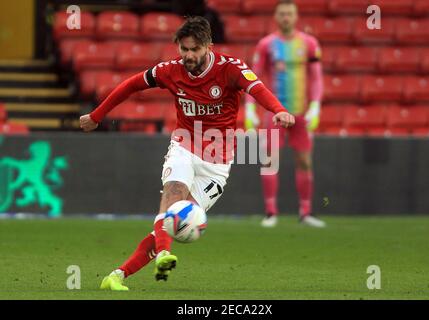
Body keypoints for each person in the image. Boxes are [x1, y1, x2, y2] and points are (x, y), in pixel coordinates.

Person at [79, 16, 295, 291]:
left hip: (217, 162)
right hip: (185, 144)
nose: (189, 55)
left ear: (208, 46)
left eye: (194, 49)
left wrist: (279, 110)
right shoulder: (170, 71)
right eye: (184, 49)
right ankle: (165, 254)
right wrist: (97, 116)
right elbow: (132, 85)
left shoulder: (231, 69)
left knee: (177, 223)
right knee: (172, 197)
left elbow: (258, 89)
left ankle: (117, 276)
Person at [245, 0, 326, 228]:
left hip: (300, 113)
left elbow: (317, 77)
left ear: (296, 16)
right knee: (270, 161)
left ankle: (305, 212)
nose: (286, 18)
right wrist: (250, 107)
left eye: (290, 13)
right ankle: (271, 213)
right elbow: (254, 77)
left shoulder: (309, 44)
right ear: (276, 16)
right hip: (275, 113)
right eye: (282, 14)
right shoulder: (266, 45)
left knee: (304, 161)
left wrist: (316, 105)